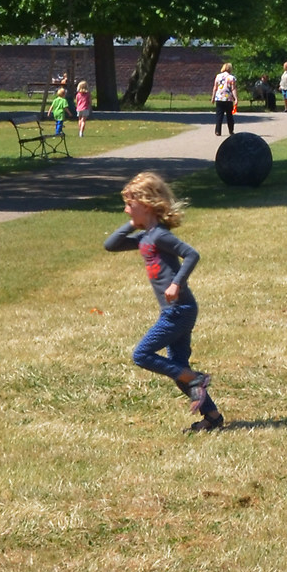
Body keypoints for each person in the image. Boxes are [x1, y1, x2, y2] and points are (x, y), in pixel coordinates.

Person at [104, 173, 222, 433]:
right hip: (173, 310)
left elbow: (191, 254)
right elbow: (110, 245)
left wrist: (176, 283)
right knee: (178, 369)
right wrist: (132, 224)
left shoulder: (159, 236)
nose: (125, 209)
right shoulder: (145, 237)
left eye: (129, 204)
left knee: (142, 355)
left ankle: (196, 379)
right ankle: (212, 417)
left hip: (179, 310)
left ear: (145, 205)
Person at [211, 61, 238, 140]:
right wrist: (235, 98)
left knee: (219, 115)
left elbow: (215, 88)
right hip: (228, 98)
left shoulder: (218, 76)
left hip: (219, 98)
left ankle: (218, 131)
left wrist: (213, 97)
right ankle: (231, 130)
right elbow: (233, 89)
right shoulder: (231, 77)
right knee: (229, 115)